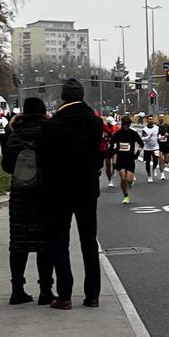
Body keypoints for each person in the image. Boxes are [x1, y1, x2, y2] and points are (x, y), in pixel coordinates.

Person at [38, 78, 103, 310]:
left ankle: (65, 295)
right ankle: (93, 295)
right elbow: (100, 156)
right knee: (88, 242)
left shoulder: (52, 125)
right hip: (87, 189)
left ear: (63, 97)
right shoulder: (95, 123)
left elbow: (42, 159)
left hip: (59, 190)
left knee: (60, 241)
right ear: (82, 96)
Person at [0, 97, 55, 305]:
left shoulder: (13, 134)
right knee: (45, 244)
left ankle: (17, 290)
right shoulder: (49, 131)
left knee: (18, 244)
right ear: (43, 111)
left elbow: (6, 166)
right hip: (45, 194)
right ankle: (46, 290)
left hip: (20, 196)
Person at [109, 116, 143, 204]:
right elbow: (112, 145)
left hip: (130, 159)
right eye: (126, 124)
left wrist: (137, 153)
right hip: (120, 159)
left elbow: (141, 144)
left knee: (128, 180)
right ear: (122, 124)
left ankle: (131, 181)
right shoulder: (117, 134)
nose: (128, 125)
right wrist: (113, 151)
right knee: (123, 178)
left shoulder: (133, 133)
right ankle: (125, 196)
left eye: (129, 124)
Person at [100, 116, 120, 187]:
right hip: (106, 149)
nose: (112, 125)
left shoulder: (116, 127)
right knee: (108, 166)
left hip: (114, 148)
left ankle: (114, 170)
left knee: (115, 163)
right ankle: (110, 180)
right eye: (110, 124)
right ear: (107, 123)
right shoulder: (104, 128)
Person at [156, 113, 169, 180]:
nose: (161, 118)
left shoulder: (168, 126)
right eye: (160, 117)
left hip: (167, 145)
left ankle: (162, 165)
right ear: (158, 118)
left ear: (164, 118)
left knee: (166, 161)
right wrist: (156, 138)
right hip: (159, 146)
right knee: (161, 159)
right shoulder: (156, 127)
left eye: (162, 117)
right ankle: (162, 174)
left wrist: (168, 135)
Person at [141, 114, 159, 183]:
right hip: (147, 148)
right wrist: (148, 136)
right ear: (147, 120)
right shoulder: (145, 129)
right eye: (149, 119)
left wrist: (160, 137)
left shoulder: (156, 128)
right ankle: (149, 175)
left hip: (156, 147)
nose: (151, 120)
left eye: (152, 119)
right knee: (147, 162)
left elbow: (159, 134)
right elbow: (143, 138)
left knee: (156, 160)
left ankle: (154, 169)